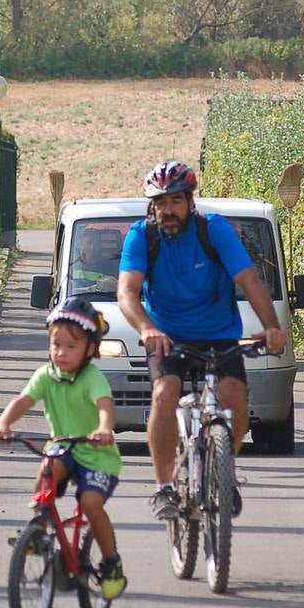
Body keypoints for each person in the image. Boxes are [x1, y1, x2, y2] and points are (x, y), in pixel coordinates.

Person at [116, 160, 288, 521]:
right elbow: (127, 294)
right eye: (160, 203)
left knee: (235, 397)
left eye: (175, 201)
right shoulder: (141, 236)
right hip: (166, 337)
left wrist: (271, 326)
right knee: (165, 394)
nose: (168, 210)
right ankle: (164, 487)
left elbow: (250, 280)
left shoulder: (213, 231)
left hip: (218, 335)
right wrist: (147, 329)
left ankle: (225, 470)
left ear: (190, 202)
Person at [0, 297, 127, 599]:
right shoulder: (45, 376)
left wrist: (104, 429)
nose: (61, 352)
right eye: (56, 344)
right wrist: (3, 423)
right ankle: (40, 525)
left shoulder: (92, 377)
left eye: (70, 346)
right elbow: (22, 401)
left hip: (98, 455)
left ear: (90, 349)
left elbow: (104, 405)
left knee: (91, 504)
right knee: (48, 468)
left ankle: (111, 562)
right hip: (65, 447)